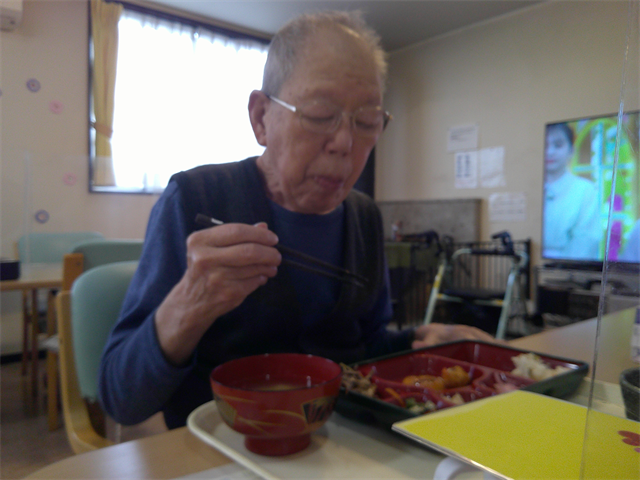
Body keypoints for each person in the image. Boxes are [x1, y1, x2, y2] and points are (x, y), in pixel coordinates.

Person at [98, 11, 496, 430]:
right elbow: (121, 399)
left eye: (366, 122)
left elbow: (365, 347)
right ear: (261, 118)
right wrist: (189, 304)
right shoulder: (196, 200)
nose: (345, 143)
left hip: (343, 445)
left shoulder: (363, 217)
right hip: (219, 446)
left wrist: (417, 341)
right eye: (321, 114)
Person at [542, 123, 601, 260]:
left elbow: (586, 244)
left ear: (571, 151)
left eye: (558, 145)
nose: (550, 152)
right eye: (545, 145)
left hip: (568, 268)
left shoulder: (585, 190)